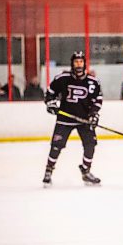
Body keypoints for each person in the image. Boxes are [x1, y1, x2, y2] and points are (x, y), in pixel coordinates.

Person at [42, 51, 103, 187]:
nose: (78, 64)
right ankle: (48, 171)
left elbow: (98, 100)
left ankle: (86, 172)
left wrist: (94, 114)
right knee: (56, 146)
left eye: (81, 61)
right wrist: (50, 104)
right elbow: (50, 93)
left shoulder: (93, 82)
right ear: (72, 63)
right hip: (64, 118)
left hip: (84, 120)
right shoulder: (62, 78)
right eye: (76, 62)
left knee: (90, 145)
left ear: (84, 63)